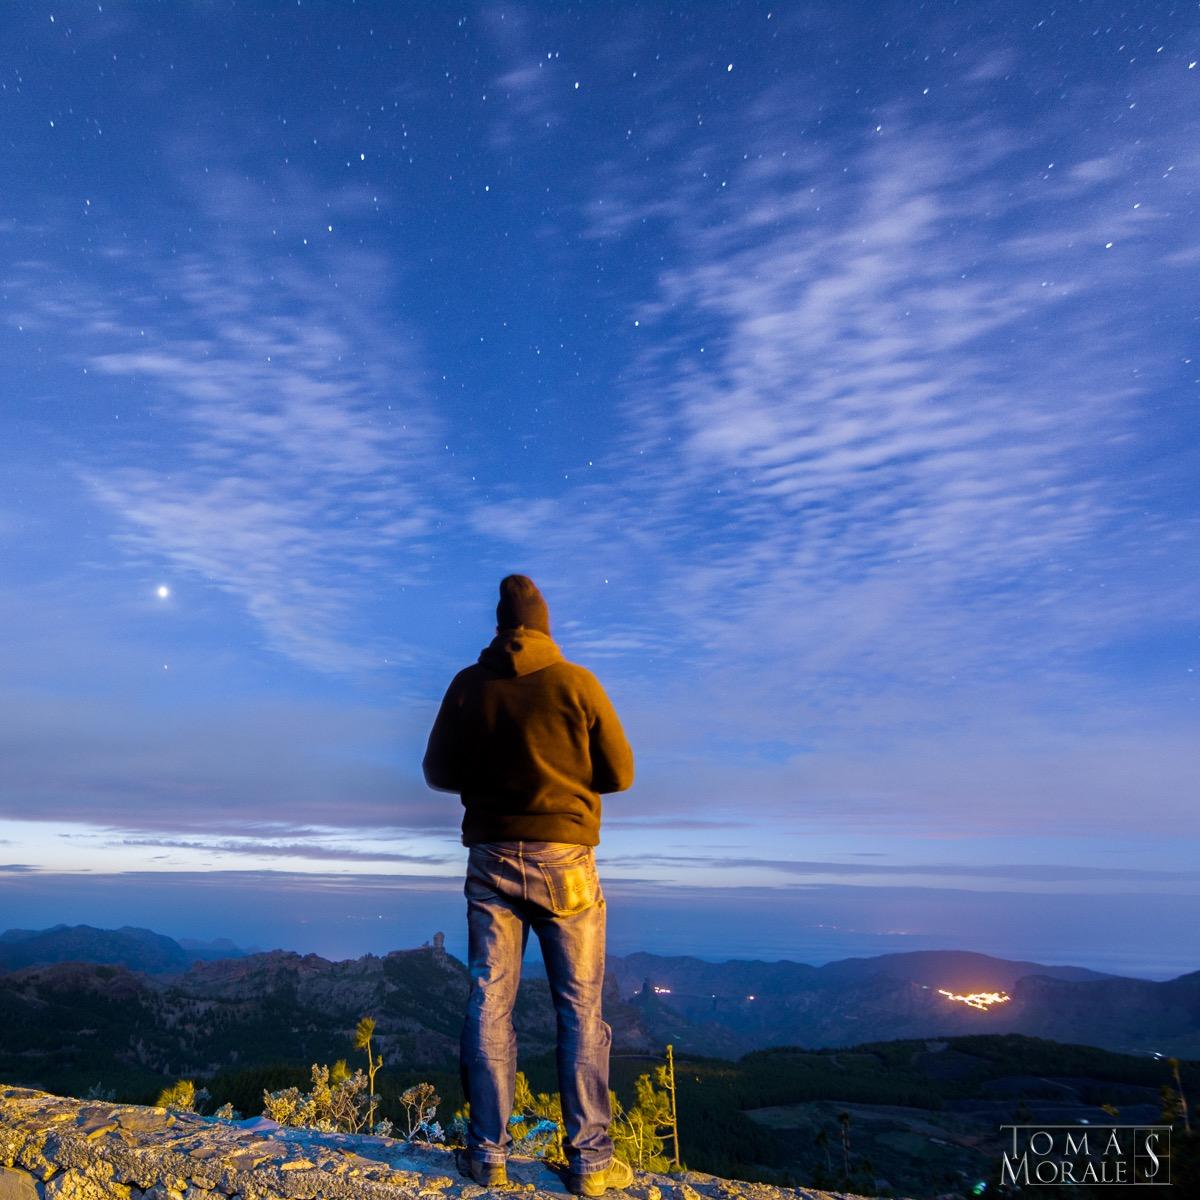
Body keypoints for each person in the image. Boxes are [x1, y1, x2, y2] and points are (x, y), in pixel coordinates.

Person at [423, 575, 635, 1196]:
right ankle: (590, 1165)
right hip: (566, 859)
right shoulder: (577, 684)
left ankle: (487, 1154)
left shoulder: (470, 685)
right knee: (580, 1009)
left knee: (490, 1001)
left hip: (491, 857)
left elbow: (436, 770)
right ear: (544, 623)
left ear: (499, 624)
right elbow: (620, 772)